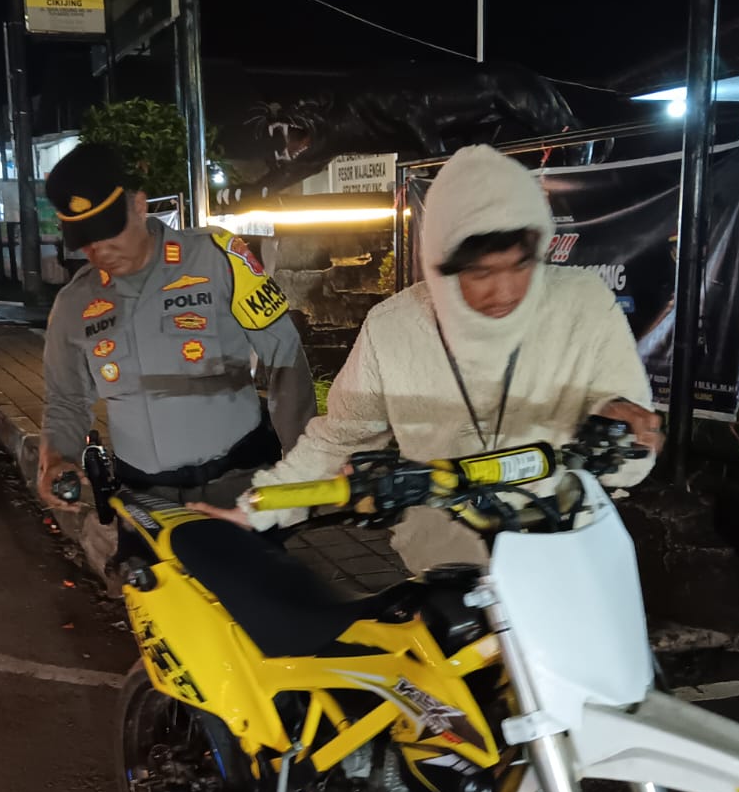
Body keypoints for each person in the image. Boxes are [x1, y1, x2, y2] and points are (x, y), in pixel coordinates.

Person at [196, 144, 662, 574]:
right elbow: (337, 441)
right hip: (446, 564)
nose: (505, 291)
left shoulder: (584, 304)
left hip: (570, 550)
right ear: (441, 265)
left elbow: (632, 458)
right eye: (480, 272)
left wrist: (627, 427)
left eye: (520, 264)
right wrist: (254, 512)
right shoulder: (393, 327)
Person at [38, 142, 315, 514]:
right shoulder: (74, 304)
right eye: (85, 240)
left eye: (108, 231)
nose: (99, 250)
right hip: (144, 501)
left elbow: (285, 358)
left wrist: (305, 470)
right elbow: (66, 400)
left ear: (139, 205)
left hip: (238, 487)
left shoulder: (218, 258)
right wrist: (57, 458)